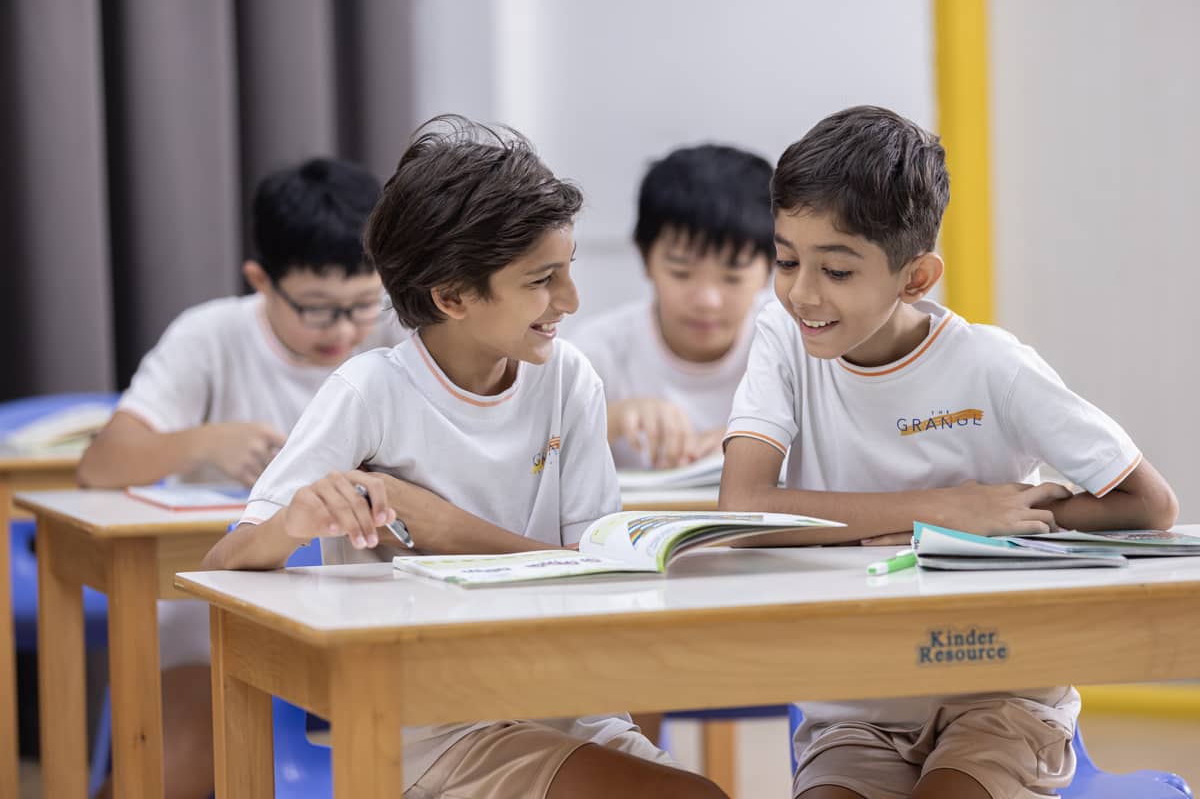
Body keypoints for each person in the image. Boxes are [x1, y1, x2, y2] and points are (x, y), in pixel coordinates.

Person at [202, 116, 727, 799]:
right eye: (541, 280)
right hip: (435, 724)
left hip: (568, 703)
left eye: (568, 270)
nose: (571, 301)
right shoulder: (370, 391)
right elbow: (222, 566)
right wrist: (292, 521)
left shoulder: (568, 379)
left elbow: (598, 573)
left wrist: (449, 530)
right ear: (451, 296)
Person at [719, 105, 1178, 799]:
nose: (801, 293)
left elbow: (1150, 503)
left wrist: (1012, 520)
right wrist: (943, 512)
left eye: (836, 270)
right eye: (786, 261)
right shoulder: (782, 340)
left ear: (915, 278)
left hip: (1000, 696)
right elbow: (743, 508)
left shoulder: (992, 365)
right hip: (857, 711)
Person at [80, 156, 401, 799]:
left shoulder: (399, 335)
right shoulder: (211, 336)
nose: (345, 329)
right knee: (179, 761)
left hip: (371, 630)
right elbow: (101, 463)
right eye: (318, 309)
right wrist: (203, 441)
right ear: (261, 281)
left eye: (364, 304)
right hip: (211, 636)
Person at [572, 144, 773, 469]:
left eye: (732, 277)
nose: (707, 301)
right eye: (681, 272)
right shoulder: (597, 355)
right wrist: (608, 420)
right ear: (645, 258)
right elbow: (534, 453)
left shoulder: (795, 348)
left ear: (772, 267)